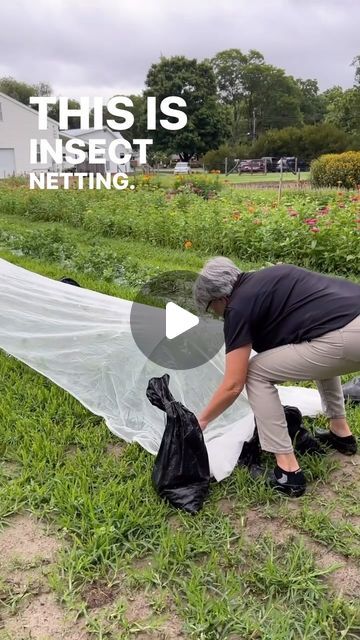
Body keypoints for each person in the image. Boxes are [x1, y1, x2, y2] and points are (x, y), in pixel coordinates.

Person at [194, 258, 360, 497]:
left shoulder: (237, 307)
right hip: (349, 320)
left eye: (211, 308)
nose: (218, 315)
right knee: (317, 342)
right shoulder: (273, 275)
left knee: (255, 372)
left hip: (349, 338)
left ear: (220, 298)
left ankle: (288, 471)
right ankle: (341, 433)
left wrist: (202, 421)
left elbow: (233, 384)